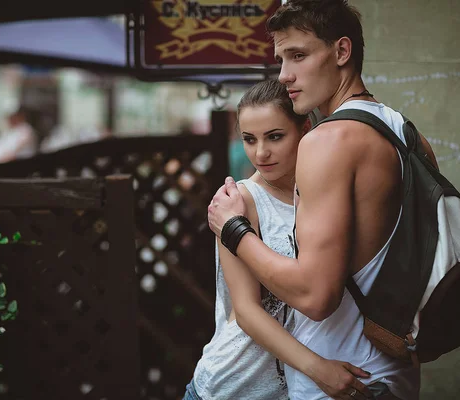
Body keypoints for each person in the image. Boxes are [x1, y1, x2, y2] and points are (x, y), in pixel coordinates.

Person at [207, 1, 440, 399]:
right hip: (395, 370)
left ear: (342, 52)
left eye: (298, 55)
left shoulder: (326, 141)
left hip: (340, 378)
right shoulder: (407, 134)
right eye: (281, 59)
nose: (285, 75)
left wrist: (233, 229)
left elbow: (316, 298)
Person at [186, 79, 374, 400]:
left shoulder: (328, 193)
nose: (261, 153)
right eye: (249, 139)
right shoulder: (239, 202)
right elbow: (246, 311)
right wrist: (320, 369)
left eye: (275, 136)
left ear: (305, 128)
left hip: (297, 392)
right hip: (229, 388)